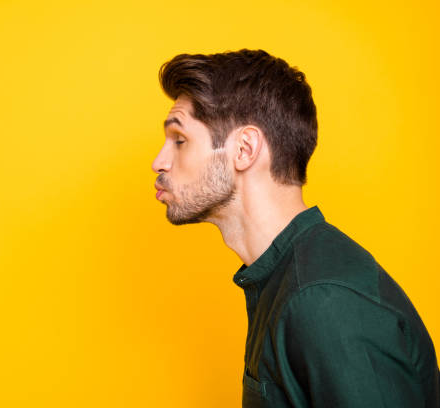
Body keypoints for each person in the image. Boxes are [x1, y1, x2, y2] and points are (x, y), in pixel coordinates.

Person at [151, 49, 440, 407]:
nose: (158, 161)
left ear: (244, 149)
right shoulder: (279, 278)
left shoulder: (323, 301)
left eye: (179, 140)